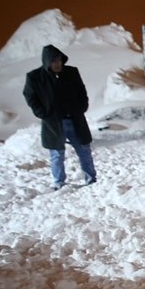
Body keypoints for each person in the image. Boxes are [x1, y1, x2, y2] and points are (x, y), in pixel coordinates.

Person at [22, 44, 97, 190]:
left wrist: (82, 107)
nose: (57, 64)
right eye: (54, 61)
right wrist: (42, 113)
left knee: (84, 149)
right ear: (47, 62)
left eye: (59, 60)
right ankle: (59, 182)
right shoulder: (35, 77)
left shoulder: (72, 72)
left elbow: (81, 91)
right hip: (54, 122)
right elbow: (30, 97)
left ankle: (91, 179)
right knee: (57, 153)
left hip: (75, 119)